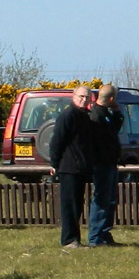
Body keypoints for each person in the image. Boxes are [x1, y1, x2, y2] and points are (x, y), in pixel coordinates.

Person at [42, 85, 95, 249]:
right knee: (69, 205)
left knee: (77, 205)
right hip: (68, 168)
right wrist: (54, 164)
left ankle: (75, 239)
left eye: (87, 97)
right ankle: (69, 240)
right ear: (74, 96)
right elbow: (57, 141)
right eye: (81, 96)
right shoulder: (68, 116)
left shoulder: (84, 116)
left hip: (80, 168)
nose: (83, 99)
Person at [86, 84, 124, 246]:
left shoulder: (106, 114)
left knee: (110, 200)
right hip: (101, 164)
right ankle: (95, 236)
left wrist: (116, 112)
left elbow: (115, 128)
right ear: (110, 98)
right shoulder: (96, 116)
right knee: (101, 200)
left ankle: (105, 233)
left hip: (110, 163)